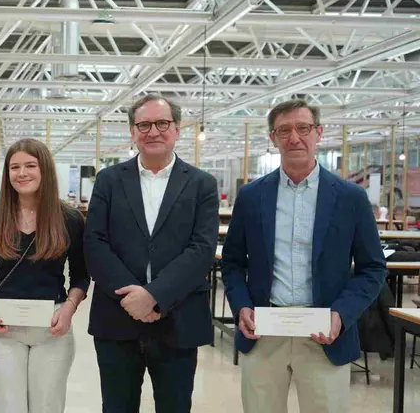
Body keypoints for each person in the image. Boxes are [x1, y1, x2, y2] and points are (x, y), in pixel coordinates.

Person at [221, 99, 387, 413]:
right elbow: (231, 262)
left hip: (324, 333)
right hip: (264, 332)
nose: (294, 137)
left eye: (303, 128)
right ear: (273, 138)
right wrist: (241, 305)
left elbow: (373, 268)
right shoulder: (251, 196)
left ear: (319, 133)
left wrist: (341, 314)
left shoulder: (350, 197)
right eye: (284, 130)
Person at [84, 94, 219, 412]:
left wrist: (154, 296)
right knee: (117, 406)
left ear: (177, 129)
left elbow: (201, 249)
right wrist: (133, 300)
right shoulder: (109, 181)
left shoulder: (202, 184)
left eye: (162, 123)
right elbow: (95, 243)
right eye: (144, 124)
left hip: (178, 319)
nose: (153, 131)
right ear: (132, 131)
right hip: (118, 320)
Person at [0, 138, 89, 413]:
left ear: (45, 170)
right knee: (6, 406)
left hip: (52, 326)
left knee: (47, 406)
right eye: (14, 167)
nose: (22, 173)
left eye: (30, 165)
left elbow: (81, 276)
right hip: (5, 327)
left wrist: (69, 311)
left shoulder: (69, 218)